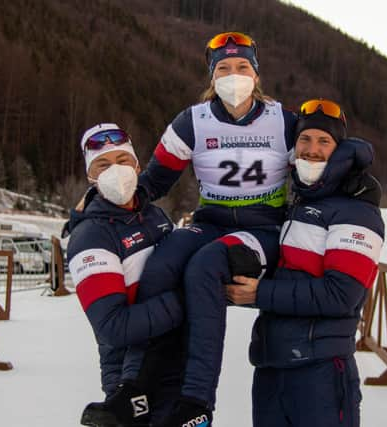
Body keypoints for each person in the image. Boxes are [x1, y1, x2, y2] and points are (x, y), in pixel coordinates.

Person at [126, 31, 298, 426]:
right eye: (224, 68)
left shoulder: (283, 121)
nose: (233, 75)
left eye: (242, 67)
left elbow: (315, 171)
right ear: (212, 77)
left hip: (263, 228)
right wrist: (103, 201)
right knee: (163, 263)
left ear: (256, 75)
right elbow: (154, 182)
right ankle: (135, 385)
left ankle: (197, 403)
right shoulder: (193, 121)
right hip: (211, 222)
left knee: (205, 267)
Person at [226, 99, 385, 427]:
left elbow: (342, 295)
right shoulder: (297, 204)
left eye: (324, 141)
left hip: (321, 371)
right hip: (271, 367)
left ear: (339, 149)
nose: (312, 150)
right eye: (304, 140)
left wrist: (260, 294)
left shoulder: (356, 211)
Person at [64, 123, 183, 427]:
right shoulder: (90, 236)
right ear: (90, 176)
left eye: (122, 161)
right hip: (130, 380)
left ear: (137, 165)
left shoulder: (154, 215)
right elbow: (113, 327)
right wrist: (187, 300)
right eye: (102, 164)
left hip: (177, 366)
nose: (114, 170)